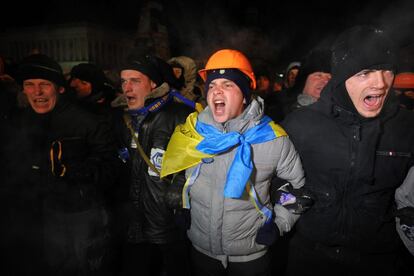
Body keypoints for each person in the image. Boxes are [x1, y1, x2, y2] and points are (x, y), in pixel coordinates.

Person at [161, 49, 312, 276]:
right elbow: (183, 175)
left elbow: (298, 192)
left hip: (251, 257)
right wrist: (182, 206)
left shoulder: (274, 138)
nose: (216, 91)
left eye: (228, 84)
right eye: (212, 86)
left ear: (244, 94)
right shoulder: (194, 131)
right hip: (201, 251)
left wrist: (279, 225)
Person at [280, 25, 414, 276]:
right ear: (342, 77)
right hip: (310, 258)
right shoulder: (301, 124)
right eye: (365, 73)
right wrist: (290, 204)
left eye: (387, 70)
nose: (381, 83)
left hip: (380, 261)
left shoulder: (406, 128)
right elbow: (275, 185)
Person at [8, 54, 119, 275]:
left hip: (82, 216)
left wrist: (76, 169)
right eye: (29, 85)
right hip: (41, 217)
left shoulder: (88, 121)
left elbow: (111, 169)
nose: (37, 92)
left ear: (59, 88)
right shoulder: (20, 123)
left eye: (44, 85)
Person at [113, 54, 195, 276]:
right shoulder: (121, 119)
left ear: (154, 84)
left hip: (168, 226)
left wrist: (177, 194)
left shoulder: (180, 115)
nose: (127, 88)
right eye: (123, 81)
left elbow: (197, 163)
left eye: (135, 81)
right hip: (134, 225)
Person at [288, 48, 331, 113]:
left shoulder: (338, 115)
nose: (326, 81)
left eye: (329, 77)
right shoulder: (283, 113)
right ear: (304, 81)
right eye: (319, 75)